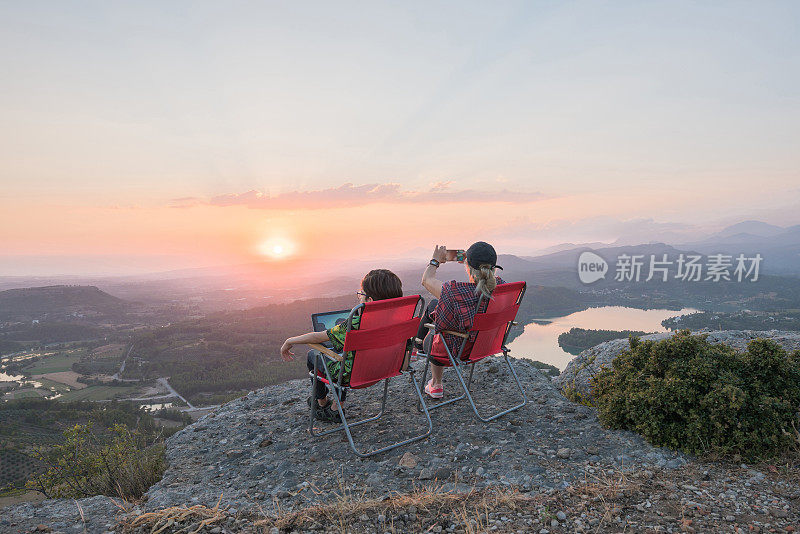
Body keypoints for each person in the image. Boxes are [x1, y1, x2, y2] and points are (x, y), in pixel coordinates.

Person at [280, 269, 404, 422]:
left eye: (361, 294)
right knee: (345, 356)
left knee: (314, 355)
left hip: (354, 376)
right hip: (386, 369)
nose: (359, 297)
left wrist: (289, 341)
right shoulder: (402, 320)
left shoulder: (355, 324)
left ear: (370, 300)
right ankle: (334, 406)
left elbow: (317, 337)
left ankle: (325, 406)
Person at [419, 241, 505, 399]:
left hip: (456, 350)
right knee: (435, 305)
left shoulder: (454, 293)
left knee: (434, 333)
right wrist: (469, 260)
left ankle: (436, 384)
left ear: (469, 268)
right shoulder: (502, 288)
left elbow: (426, 280)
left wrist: (435, 261)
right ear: (493, 267)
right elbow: (486, 279)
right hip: (484, 346)